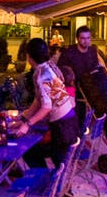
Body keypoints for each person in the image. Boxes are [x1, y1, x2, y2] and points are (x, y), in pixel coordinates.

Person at [18, 38, 79, 169]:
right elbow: (38, 100)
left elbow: (46, 106)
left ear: (29, 56)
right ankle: (48, 182)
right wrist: (24, 118)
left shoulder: (42, 75)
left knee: (30, 151)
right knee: (33, 150)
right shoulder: (47, 67)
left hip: (62, 129)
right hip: (68, 123)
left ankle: (45, 183)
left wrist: (27, 125)